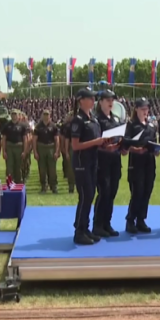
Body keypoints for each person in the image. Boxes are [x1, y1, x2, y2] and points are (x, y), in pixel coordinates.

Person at [69, 88, 104, 245]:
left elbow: (97, 139)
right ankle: (79, 232)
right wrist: (96, 142)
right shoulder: (78, 120)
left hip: (92, 161)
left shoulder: (94, 119)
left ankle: (85, 227)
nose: (92, 100)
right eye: (89, 98)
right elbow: (75, 146)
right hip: (82, 163)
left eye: (93, 97)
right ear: (81, 100)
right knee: (86, 196)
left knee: (90, 195)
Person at [92, 90, 124, 237]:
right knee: (104, 192)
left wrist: (123, 145)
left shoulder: (116, 119)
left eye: (112, 99)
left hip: (115, 159)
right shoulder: (96, 120)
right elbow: (94, 142)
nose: (111, 102)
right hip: (101, 160)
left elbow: (121, 137)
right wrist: (105, 147)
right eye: (107, 99)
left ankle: (107, 223)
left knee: (112, 192)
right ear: (101, 102)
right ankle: (98, 224)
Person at [124, 98, 159, 233]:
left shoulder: (151, 126)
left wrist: (156, 150)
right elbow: (126, 144)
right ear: (136, 109)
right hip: (136, 162)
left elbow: (154, 143)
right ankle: (130, 220)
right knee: (137, 191)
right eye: (143, 109)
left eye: (147, 109)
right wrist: (135, 149)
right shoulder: (131, 125)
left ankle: (141, 219)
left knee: (147, 190)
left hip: (149, 162)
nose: (145, 111)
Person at [32, 110, 60, 193]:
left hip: (51, 147)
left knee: (52, 169)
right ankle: (44, 186)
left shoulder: (53, 126)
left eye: (47, 115)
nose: (46, 116)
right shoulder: (38, 127)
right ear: (42, 116)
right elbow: (34, 140)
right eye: (44, 115)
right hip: (41, 148)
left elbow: (57, 140)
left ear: (50, 116)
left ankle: (53, 186)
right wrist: (35, 151)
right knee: (42, 169)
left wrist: (57, 151)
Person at [1, 110, 29, 183]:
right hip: (9, 147)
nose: (14, 116)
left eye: (15, 114)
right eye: (12, 114)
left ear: (18, 115)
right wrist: (3, 151)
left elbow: (25, 139)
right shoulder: (7, 125)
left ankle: (18, 182)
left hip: (19, 147)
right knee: (9, 166)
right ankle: (9, 182)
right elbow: (3, 139)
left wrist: (24, 151)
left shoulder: (22, 126)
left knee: (18, 166)